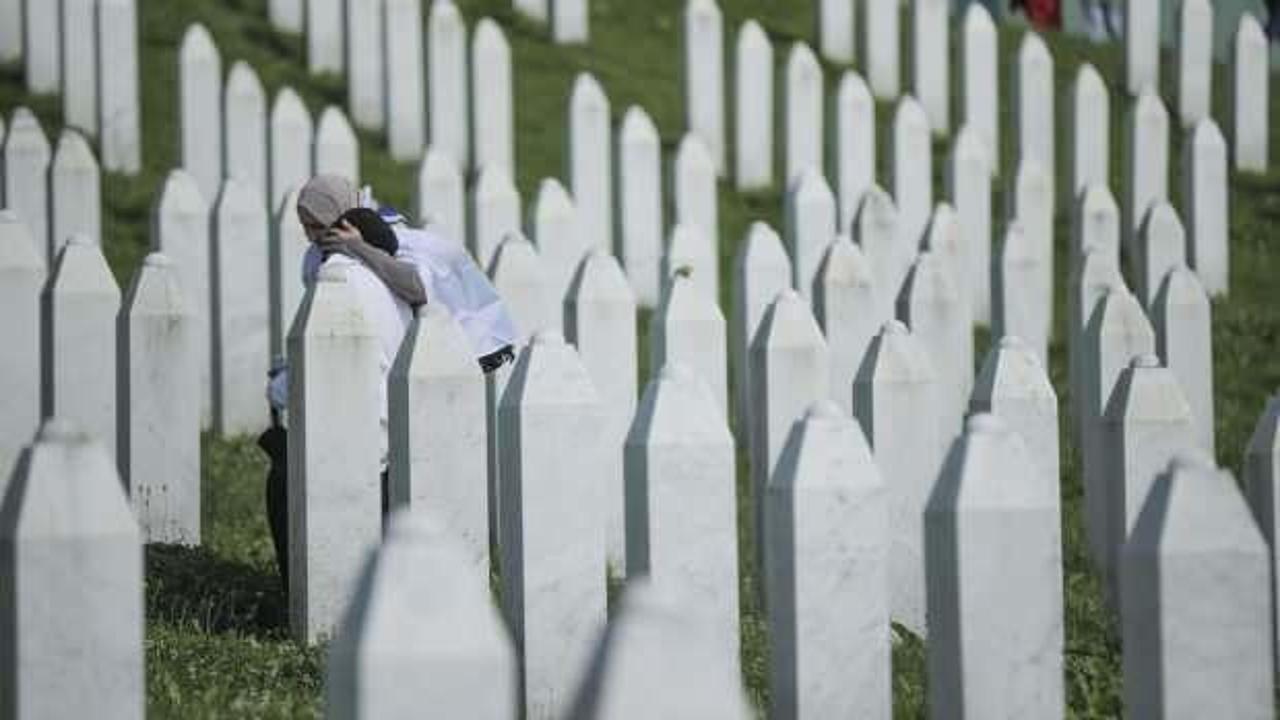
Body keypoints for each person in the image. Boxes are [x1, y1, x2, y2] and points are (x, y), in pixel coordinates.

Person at [260, 174, 519, 597]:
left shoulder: (388, 247)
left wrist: (359, 247)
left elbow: (419, 288)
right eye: (305, 225)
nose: (312, 234)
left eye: (316, 222)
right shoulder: (321, 262)